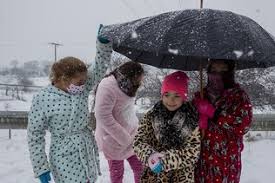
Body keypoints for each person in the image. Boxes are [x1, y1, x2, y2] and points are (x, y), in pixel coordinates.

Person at [27, 25, 112, 183]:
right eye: (79, 82)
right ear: (62, 78)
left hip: (85, 149)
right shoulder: (42, 99)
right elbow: (35, 135)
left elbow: (99, 66)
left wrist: (103, 44)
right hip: (63, 156)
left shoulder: (82, 89)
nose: (83, 85)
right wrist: (41, 167)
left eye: (84, 81)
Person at [133, 71, 201, 183]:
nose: (171, 100)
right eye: (167, 95)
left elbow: (192, 152)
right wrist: (150, 156)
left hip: (180, 177)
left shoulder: (191, 119)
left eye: (177, 95)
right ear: (162, 95)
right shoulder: (152, 115)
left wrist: (165, 161)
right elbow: (138, 141)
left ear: (184, 97)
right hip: (153, 176)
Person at [194, 59, 253, 183]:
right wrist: (197, 120)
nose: (217, 75)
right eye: (214, 70)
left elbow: (243, 126)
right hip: (203, 162)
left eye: (223, 71)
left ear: (230, 72)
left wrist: (214, 114)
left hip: (227, 163)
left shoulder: (239, 96)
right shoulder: (201, 96)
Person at [94, 61, 144, 183]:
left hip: (131, 135)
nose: (140, 82)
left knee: (140, 168)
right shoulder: (108, 86)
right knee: (117, 173)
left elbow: (126, 110)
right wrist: (124, 138)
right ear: (130, 76)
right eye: (139, 79)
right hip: (113, 139)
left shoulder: (127, 85)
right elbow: (102, 115)